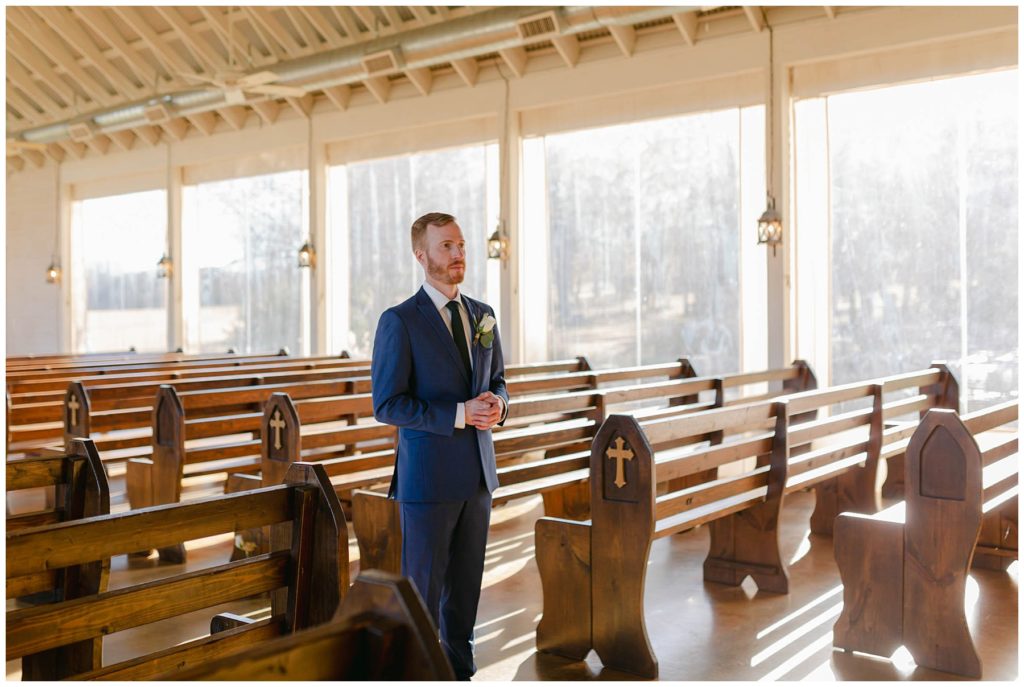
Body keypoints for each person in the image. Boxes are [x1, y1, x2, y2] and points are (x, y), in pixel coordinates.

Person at [371, 211, 509, 680]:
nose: (457, 254)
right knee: (423, 596)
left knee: (466, 592)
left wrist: (498, 407)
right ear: (421, 254)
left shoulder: (482, 314)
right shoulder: (400, 321)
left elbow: (499, 382)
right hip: (428, 481)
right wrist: (457, 414)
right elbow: (388, 404)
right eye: (446, 246)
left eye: (461, 245)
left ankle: (459, 673)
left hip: (478, 476)